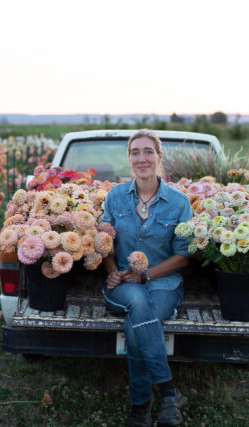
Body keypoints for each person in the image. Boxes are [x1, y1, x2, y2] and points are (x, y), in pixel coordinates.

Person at [100, 129, 193, 427]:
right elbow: (105, 243)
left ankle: (140, 407)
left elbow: (183, 255)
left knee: (137, 323)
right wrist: (112, 271)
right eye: (135, 152)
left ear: (159, 157)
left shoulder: (179, 203)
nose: (142, 158)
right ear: (129, 159)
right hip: (124, 285)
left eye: (148, 151)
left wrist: (149, 274)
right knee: (138, 302)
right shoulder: (115, 196)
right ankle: (168, 393)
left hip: (164, 283)